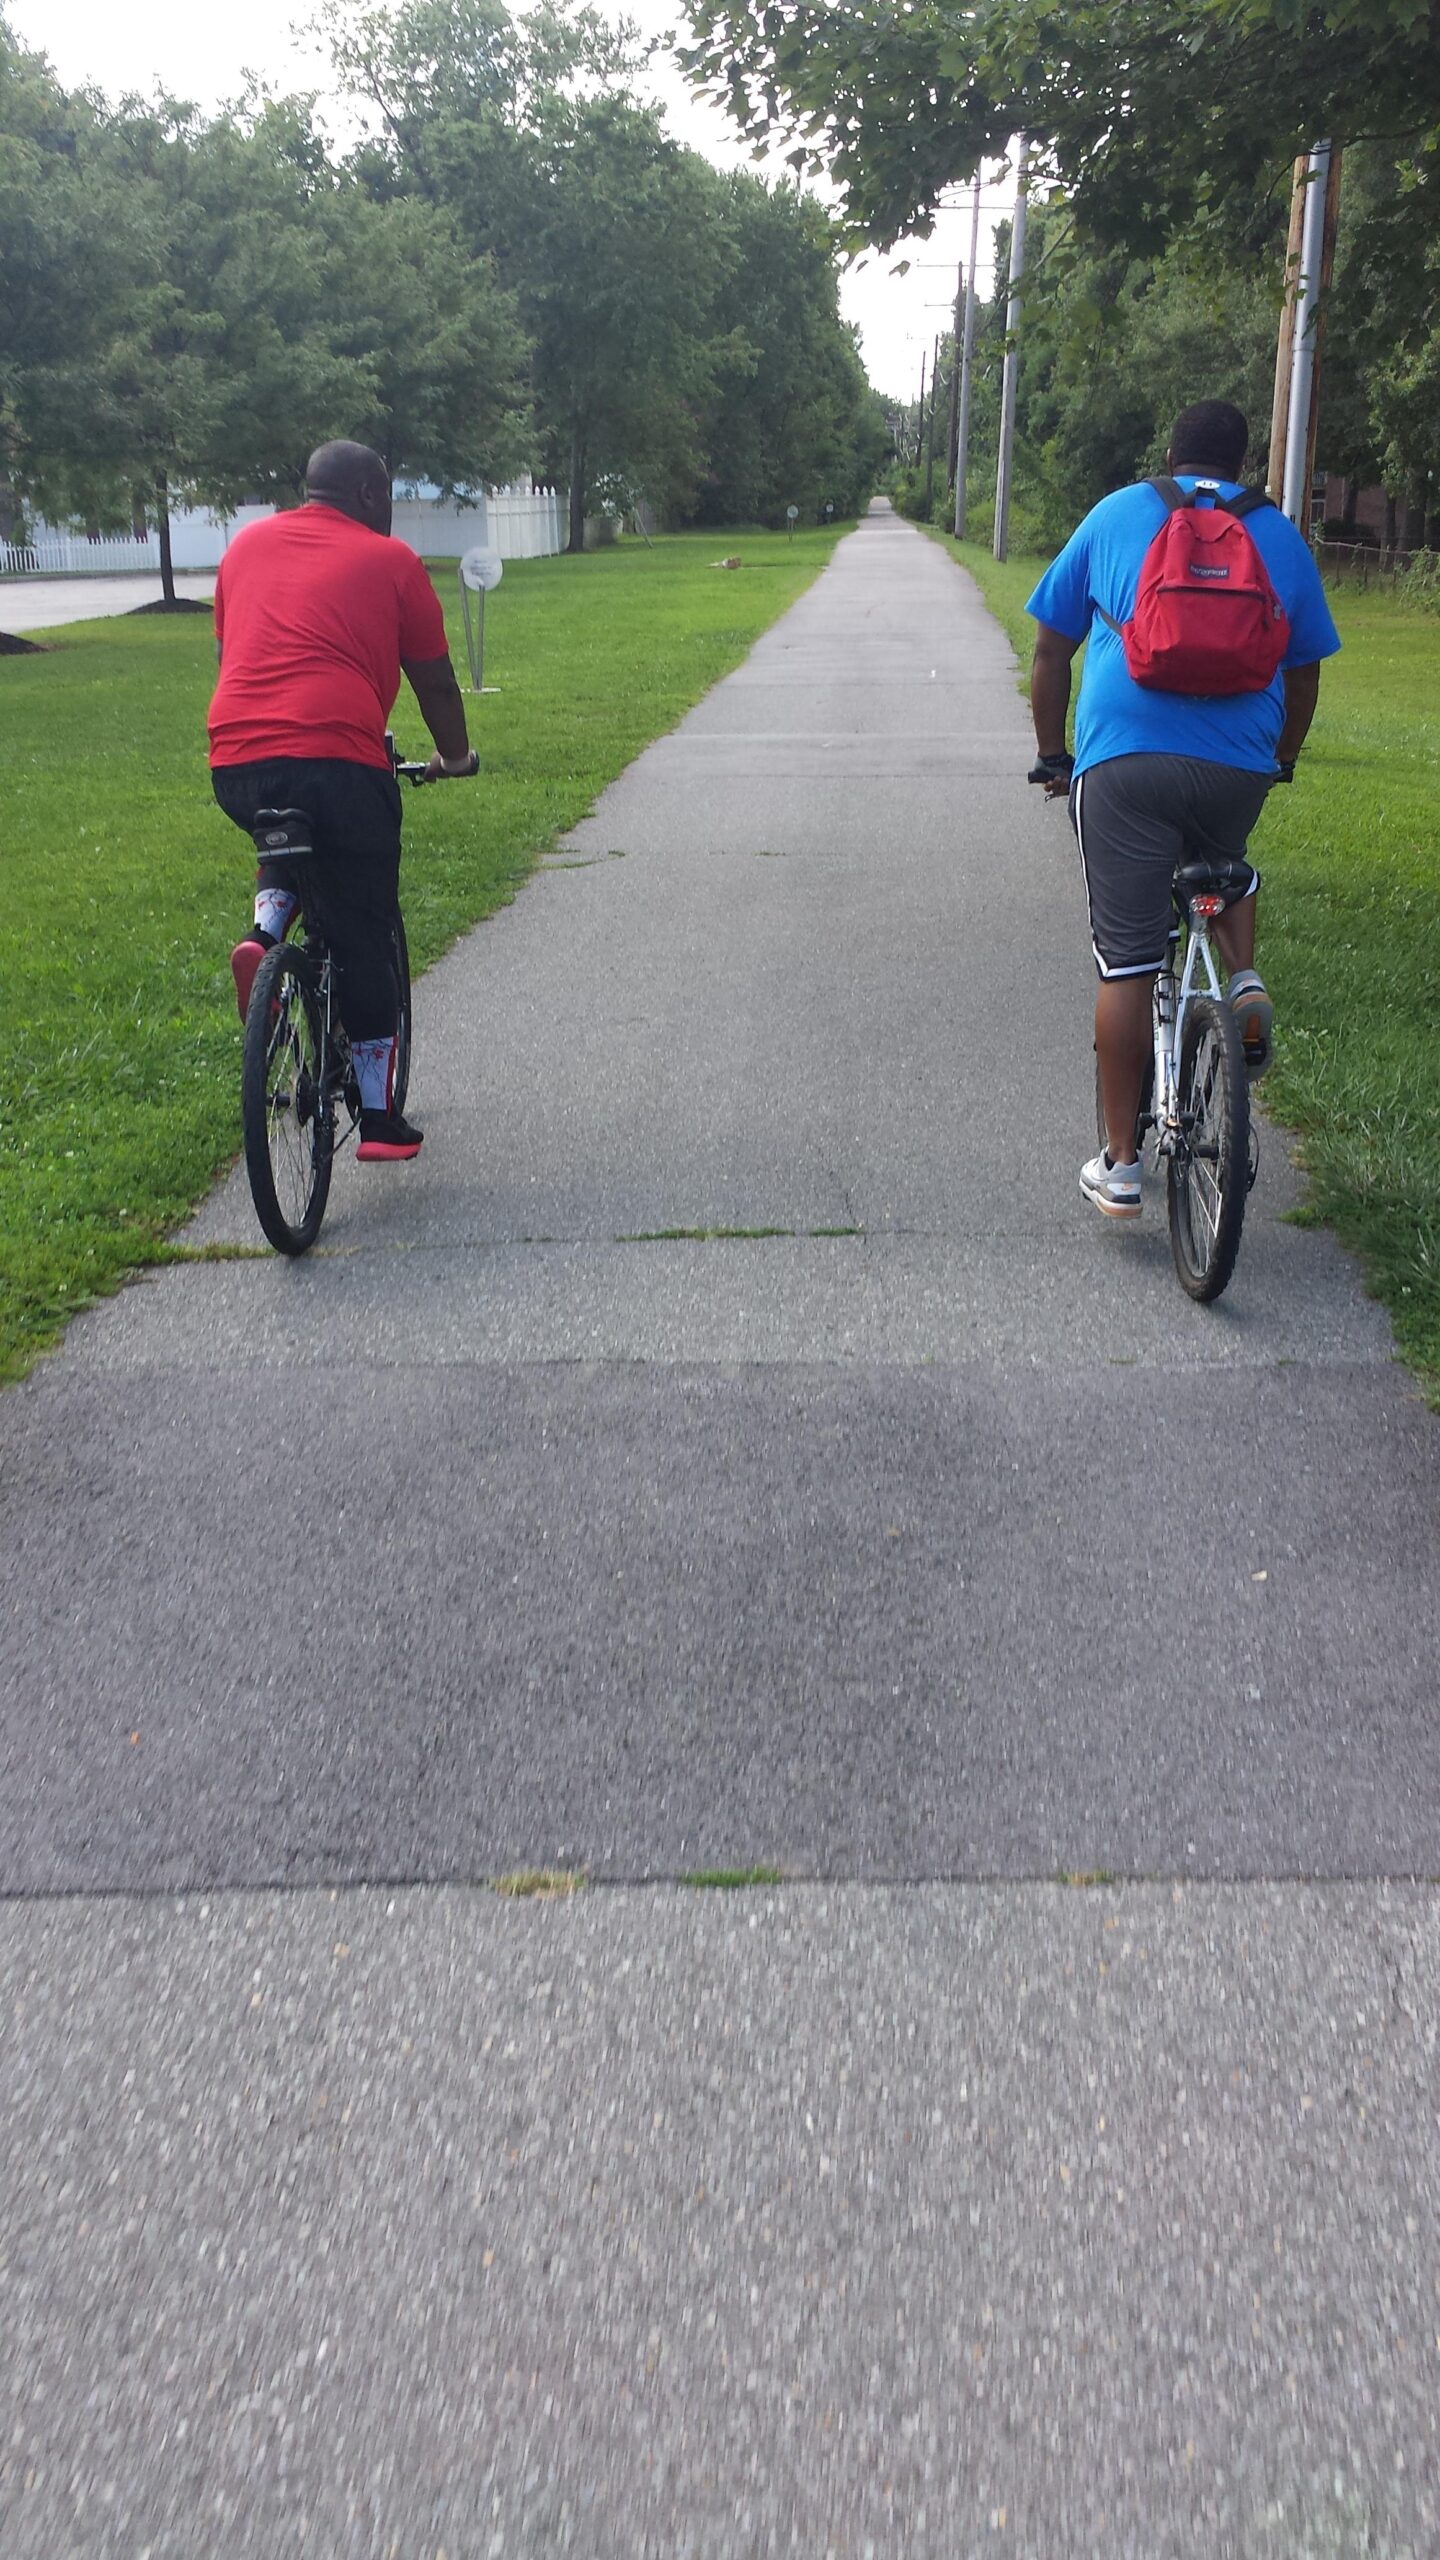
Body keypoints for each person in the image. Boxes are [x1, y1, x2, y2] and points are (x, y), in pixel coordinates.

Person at [1025, 399, 1341, 1219]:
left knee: (1127, 959)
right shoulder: (1276, 533)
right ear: (1242, 462)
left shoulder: (1119, 513)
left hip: (1125, 762)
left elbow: (1050, 647)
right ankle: (1241, 981)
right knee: (1225, 865)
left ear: (1169, 452)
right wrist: (1279, 761)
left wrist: (1056, 756)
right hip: (1236, 764)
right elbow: (1304, 676)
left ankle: (1122, 1164)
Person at [209, 440, 474, 1162]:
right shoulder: (391, 562)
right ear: (365, 494)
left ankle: (263, 941)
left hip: (236, 760)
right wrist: (455, 757)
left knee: (289, 838)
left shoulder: (244, 549)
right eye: (386, 496)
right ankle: (382, 1118)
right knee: (362, 928)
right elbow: (437, 682)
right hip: (338, 763)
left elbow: (238, 651)